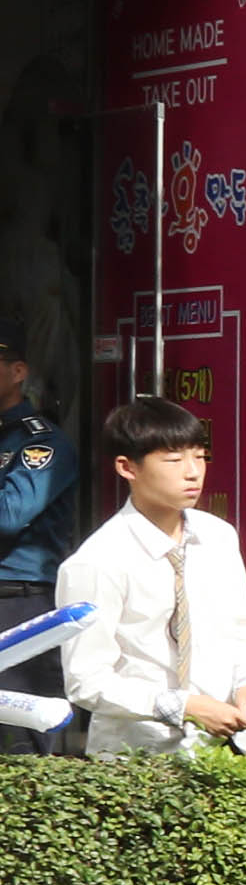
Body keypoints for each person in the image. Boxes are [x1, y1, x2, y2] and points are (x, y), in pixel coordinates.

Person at [60, 396, 246, 757]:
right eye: (174, 460)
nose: (192, 471)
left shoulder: (218, 537)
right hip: (137, 757)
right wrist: (184, 706)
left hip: (224, 749)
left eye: (199, 456)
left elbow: (239, 630)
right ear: (128, 468)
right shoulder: (99, 560)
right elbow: (86, 681)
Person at [0, 320, 81, 753]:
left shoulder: (40, 442)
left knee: (18, 740)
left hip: (17, 601)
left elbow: (8, 515)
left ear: (17, 372)